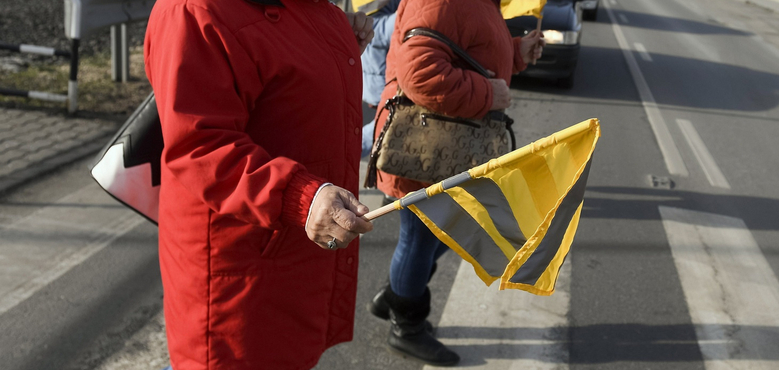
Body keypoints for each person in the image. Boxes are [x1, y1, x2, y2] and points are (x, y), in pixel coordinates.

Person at [143, 0, 375, 368]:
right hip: (240, 262)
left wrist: (324, 42)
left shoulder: (309, 9)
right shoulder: (194, 11)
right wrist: (301, 196)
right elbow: (201, 146)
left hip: (288, 254)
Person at [366, 0, 545, 365]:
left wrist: (516, 51)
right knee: (421, 237)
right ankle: (406, 325)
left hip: (446, 147)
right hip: (424, 148)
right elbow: (420, 74)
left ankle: (398, 295)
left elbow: (467, 48)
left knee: (444, 232)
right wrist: (488, 95)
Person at [359, 0, 401, 158]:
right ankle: (344, 151)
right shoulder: (375, 20)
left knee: (383, 133)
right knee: (381, 130)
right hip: (382, 89)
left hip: (379, 86)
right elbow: (397, 23)